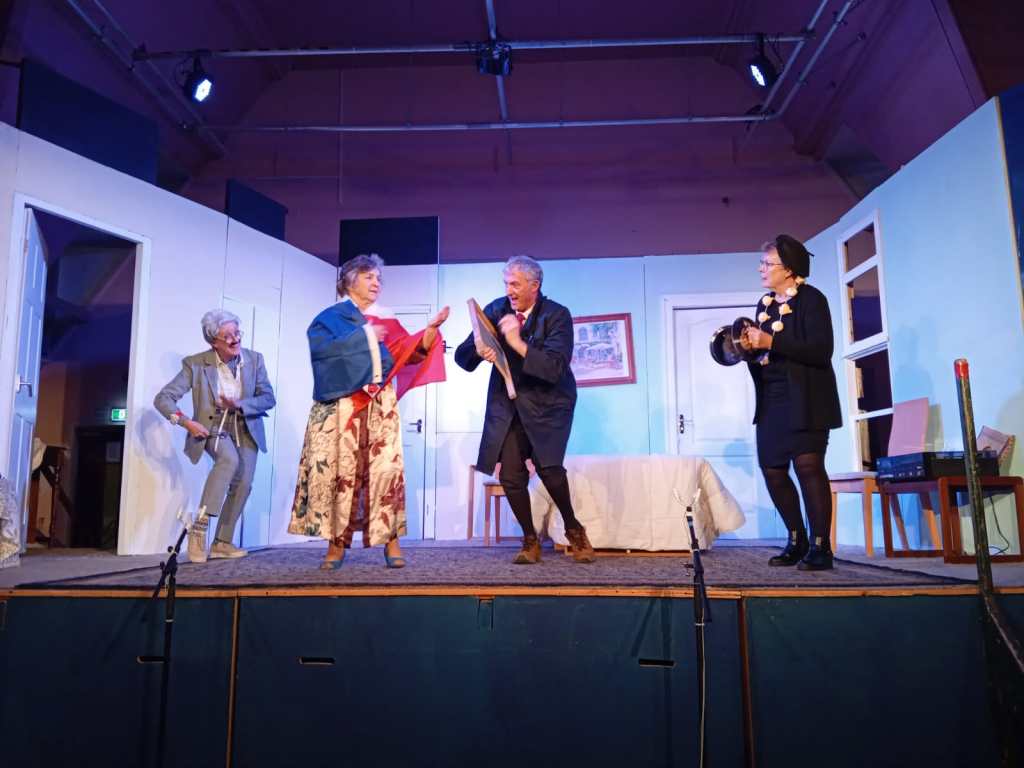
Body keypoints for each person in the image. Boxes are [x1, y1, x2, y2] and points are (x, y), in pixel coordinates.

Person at [288, 254, 448, 570]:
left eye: (378, 278)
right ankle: (336, 546)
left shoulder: (386, 320)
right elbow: (323, 353)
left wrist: (430, 330)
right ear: (350, 280)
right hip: (343, 407)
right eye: (369, 276)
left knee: (385, 471)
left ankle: (391, 542)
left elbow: (409, 353)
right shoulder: (330, 318)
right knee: (340, 473)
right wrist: (365, 337)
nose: (376, 283)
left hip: (379, 407)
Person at [455, 254, 595, 564]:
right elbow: (462, 357)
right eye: (506, 283)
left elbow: (554, 368)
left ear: (535, 285)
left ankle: (574, 529)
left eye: (515, 284)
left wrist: (516, 343)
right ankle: (530, 539)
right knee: (510, 475)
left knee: (549, 469)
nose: (509, 290)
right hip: (509, 403)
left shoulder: (557, 315)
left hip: (550, 404)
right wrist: (479, 349)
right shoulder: (496, 309)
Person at [740, 235, 842, 570]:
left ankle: (821, 547)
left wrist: (771, 341)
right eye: (761, 263)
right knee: (772, 469)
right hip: (773, 398)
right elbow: (766, 352)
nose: (761, 269)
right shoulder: (765, 304)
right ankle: (796, 540)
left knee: (808, 467)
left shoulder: (813, 300)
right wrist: (748, 349)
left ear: (789, 268)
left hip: (807, 397)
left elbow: (820, 351)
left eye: (767, 263)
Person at [154, 309, 276, 563]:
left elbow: (268, 398)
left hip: (245, 425)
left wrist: (240, 404)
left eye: (237, 333)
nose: (235, 339)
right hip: (213, 426)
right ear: (213, 342)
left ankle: (222, 542)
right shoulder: (196, 364)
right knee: (229, 460)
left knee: (244, 482)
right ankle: (198, 529)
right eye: (227, 336)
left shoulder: (255, 360)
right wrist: (186, 422)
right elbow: (163, 399)